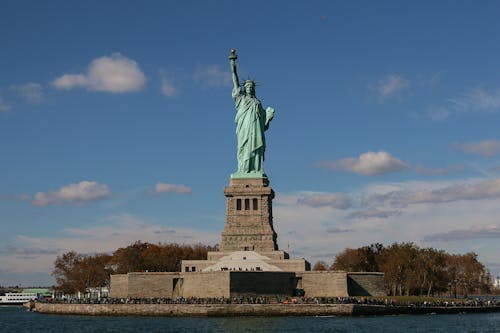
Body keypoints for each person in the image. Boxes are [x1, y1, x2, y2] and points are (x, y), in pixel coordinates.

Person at [229, 49, 274, 178]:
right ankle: (243, 169)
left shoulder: (258, 102)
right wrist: (233, 63)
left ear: (253, 89)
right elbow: (235, 79)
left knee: (255, 147)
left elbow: (263, 124)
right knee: (243, 147)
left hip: (255, 129)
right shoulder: (241, 98)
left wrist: (268, 118)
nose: (249, 88)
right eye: (247, 86)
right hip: (244, 128)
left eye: (251, 87)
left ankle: (256, 169)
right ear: (244, 88)